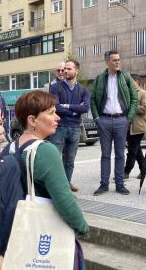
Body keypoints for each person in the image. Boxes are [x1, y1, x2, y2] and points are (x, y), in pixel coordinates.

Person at [10, 91, 88, 269]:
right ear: (32, 120)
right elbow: (64, 200)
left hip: (20, 232)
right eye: (51, 113)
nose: (58, 117)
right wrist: (82, 226)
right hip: (46, 232)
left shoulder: (11, 147)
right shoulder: (45, 151)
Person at [91, 50, 138, 196]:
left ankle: (119, 184)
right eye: (114, 60)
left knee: (120, 154)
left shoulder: (126, 77)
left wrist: (128, 118)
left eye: (119, 60)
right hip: (104, 120)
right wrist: (97, 118)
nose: (118, 62)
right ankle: (104, 185)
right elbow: (92, 99)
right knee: (105, 154)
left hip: (121, 120)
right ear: (107, 62)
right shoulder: (99, 79)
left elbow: (134, 98)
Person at [50, 59, 90, 192]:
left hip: (75, 129)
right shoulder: (56, 87)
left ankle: (65, 187)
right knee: (55, 159)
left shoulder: (83, 90)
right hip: (59, 127)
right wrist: (75, 110)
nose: (65, 71)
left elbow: (85, 109)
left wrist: (66, 106)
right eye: (64, 69)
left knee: (70, 161)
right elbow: (56, 107)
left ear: (76, 71)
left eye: (68, 69)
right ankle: (55, 188)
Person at [124, 74, 146, 179]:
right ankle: (144, 171)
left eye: (130, 81)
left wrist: (132, 107)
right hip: (128, 127)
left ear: (136, 82)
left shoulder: (143, 93)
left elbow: (145, 109)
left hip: (138, 127)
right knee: (136, 149)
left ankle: (126, 172)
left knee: (132, 151)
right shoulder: (128, 93)